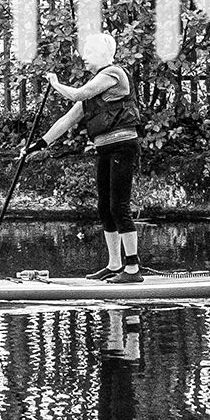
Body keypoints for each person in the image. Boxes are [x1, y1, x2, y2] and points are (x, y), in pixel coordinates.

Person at [41, 29, 143, 280]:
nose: (83, 57)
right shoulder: (95, 90)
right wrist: (38, 145)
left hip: (123, 146)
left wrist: (55, 84)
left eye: (88, 53)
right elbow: (66, 120)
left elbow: (79, 93)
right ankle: (114, 265)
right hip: (105, 149)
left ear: (101, 53)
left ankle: (133, 269)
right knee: (105, 208)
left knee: (119, 206)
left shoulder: (113, 73)